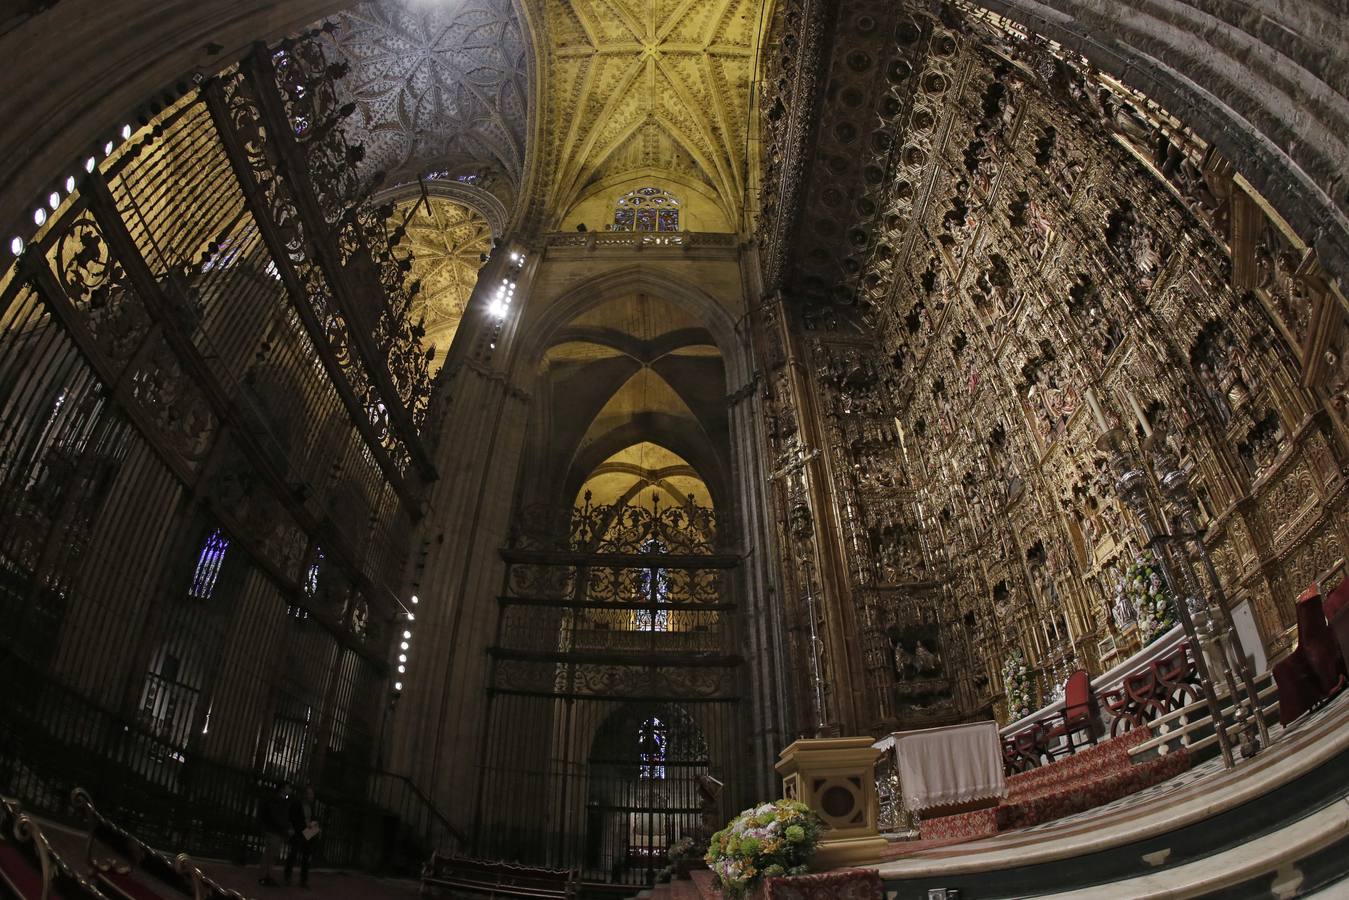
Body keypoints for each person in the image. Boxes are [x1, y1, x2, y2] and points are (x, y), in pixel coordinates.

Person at [285, 783, 320, 888]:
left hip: (308, 832)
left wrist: (313, 828)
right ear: (305, 795)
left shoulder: (310, 807)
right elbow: (294, 818)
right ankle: (288, 877)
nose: (311, 796)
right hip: (299, 832)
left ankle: (303, 880)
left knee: (305, 857)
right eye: (310, 794)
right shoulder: (297, 804)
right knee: (293, 855)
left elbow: (312, 819)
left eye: (312, 794)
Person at [258, 782, 289, 887]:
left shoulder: (280, 801)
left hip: (275, 830)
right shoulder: (277, 801)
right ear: (282, 789)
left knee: (271, 854)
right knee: (270, 854)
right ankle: (265, 876)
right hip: (274, 830)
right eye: (288, 788)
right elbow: (276, 817)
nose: (289, 790)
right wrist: (283, 827)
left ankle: (266, 876)